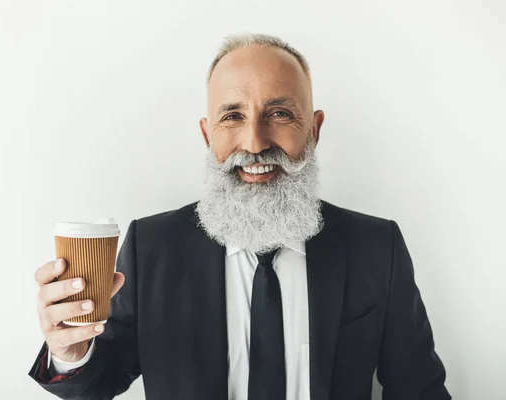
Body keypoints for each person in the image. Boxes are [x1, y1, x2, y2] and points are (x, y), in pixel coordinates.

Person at [28, 32, 451, 400]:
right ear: (207, 134)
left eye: (280, 114)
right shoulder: (150, 246)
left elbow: (419, 390)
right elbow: (98, 383)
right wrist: (69, 351)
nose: (254, 142)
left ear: (315, 129)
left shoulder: (377, 247)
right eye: (233, 116)